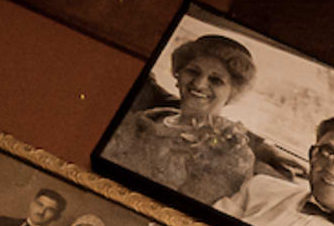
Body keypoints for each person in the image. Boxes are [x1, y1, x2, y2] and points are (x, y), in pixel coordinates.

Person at [107, 30, 264, 211]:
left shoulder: (233, 154)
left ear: (233, 92)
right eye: (192, 71)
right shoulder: (141, 121)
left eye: (216, 80)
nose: (199, 84)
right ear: (178, 75)